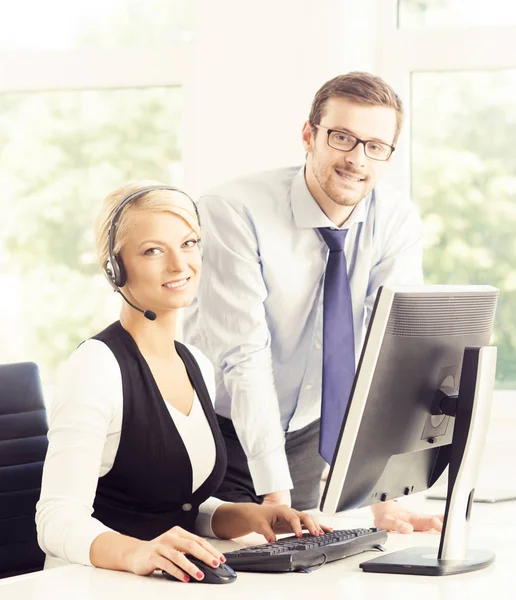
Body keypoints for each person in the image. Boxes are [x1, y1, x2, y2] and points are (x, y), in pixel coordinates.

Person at [183, 72, 443, 533]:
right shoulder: (233, 209)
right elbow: (243, 355)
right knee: (214, 570)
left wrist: (382, 495)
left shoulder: (395, 220)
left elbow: (392, 355)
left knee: (291, 574)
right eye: (342, 137)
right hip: (217, 433)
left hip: (305, 436)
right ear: (310, 135)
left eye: (375, 146)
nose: (356, 159)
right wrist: (275, 495)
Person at [35, 182, 331, 584]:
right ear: (114, 268)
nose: (179, 265)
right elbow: (55, 520)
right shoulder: (96, 367)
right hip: (92, 582)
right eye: (153, 250)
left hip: (167, 580)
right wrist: (139, 552)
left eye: (189, 243)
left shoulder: (195, 363)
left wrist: (242, 514)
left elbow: (174, 506)